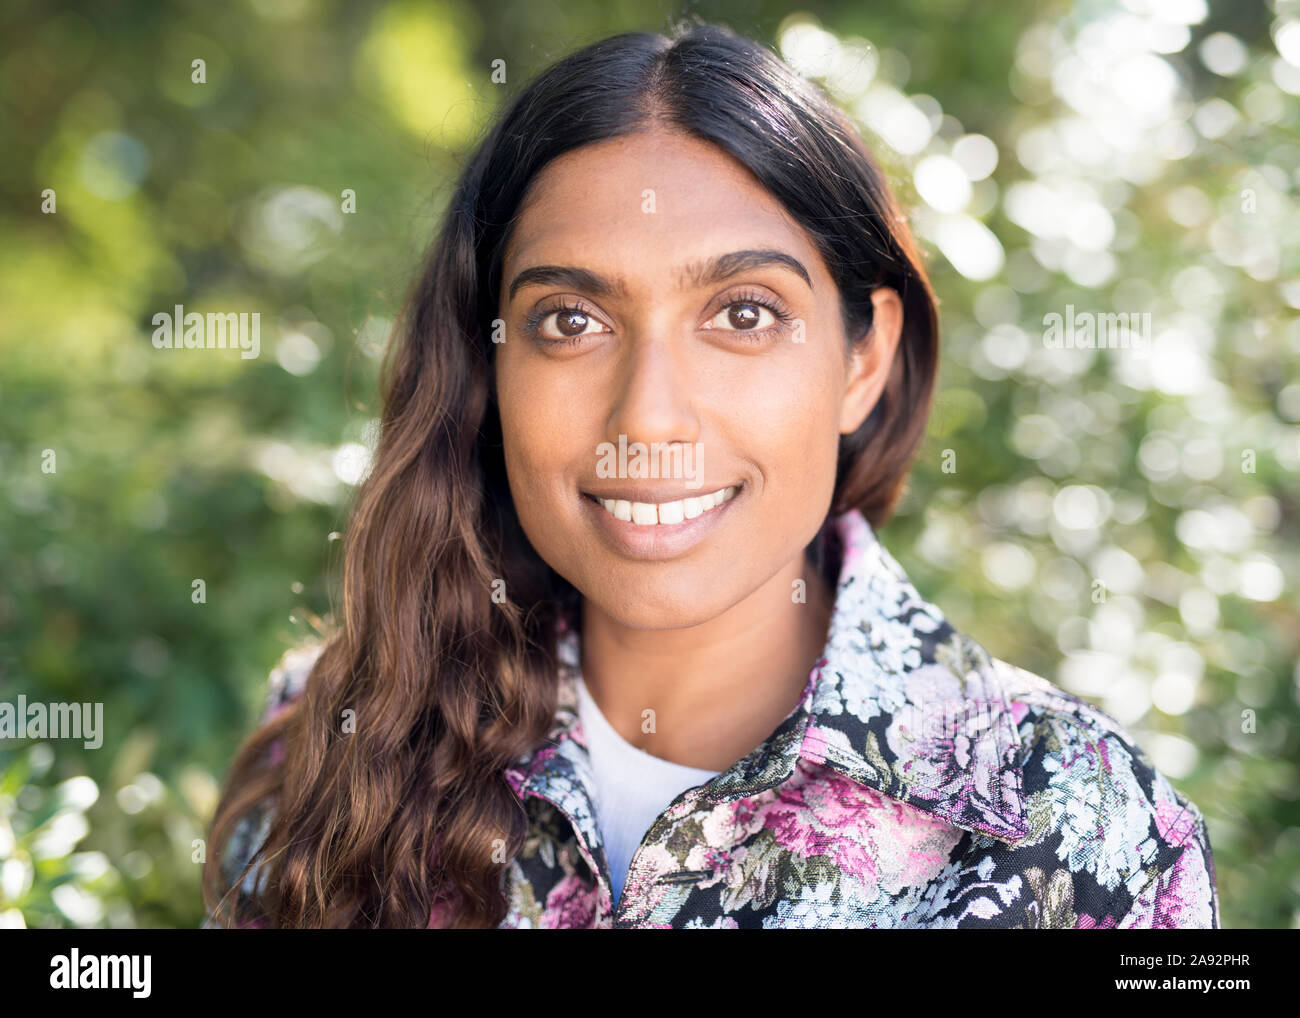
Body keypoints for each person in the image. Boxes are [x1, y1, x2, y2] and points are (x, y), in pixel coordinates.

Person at [202, 20, 1219, 929]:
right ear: (489, 364)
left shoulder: (1073, 823)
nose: (648, 413)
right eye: (572, 321)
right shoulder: (337, 733)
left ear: (861, 360)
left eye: (742, 314)